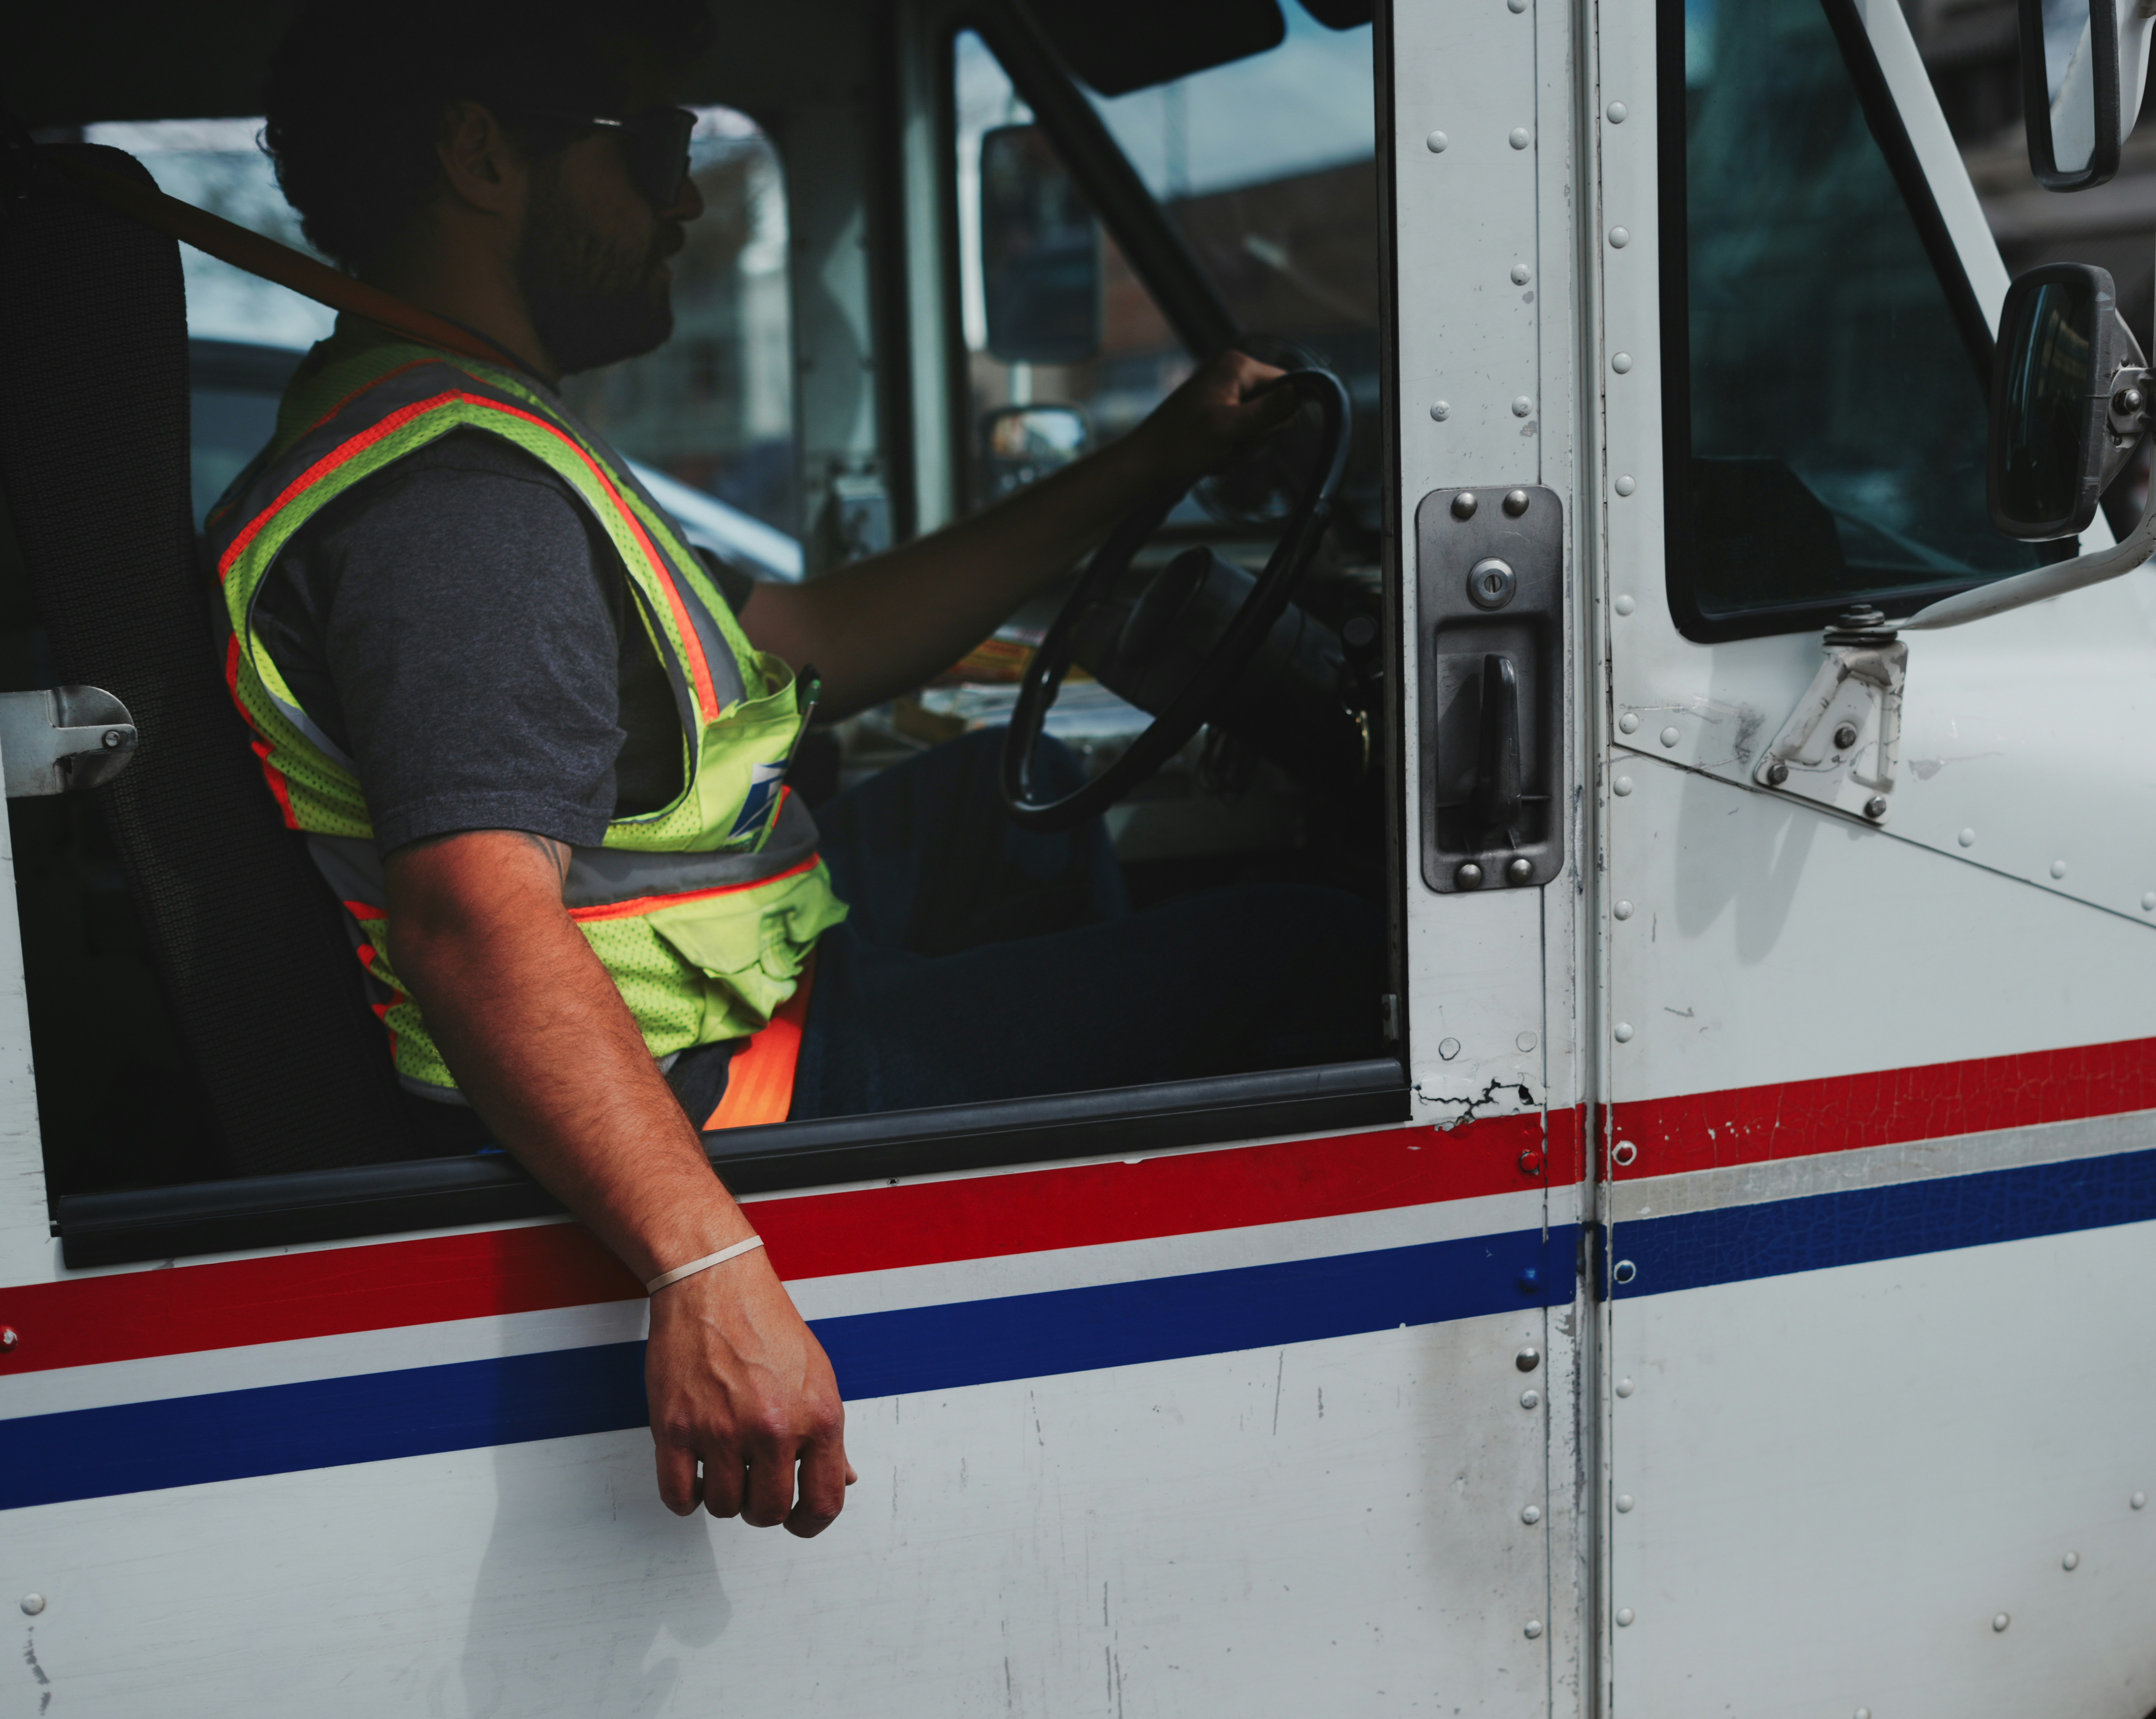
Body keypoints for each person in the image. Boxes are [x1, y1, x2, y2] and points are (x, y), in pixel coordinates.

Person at [234, 0, 1379, 1540]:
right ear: (479, 157)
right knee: (1312, 952)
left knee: (1001, 795)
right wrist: (708, 1270)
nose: (687, 200)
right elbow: (471, 922)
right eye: (650, 150)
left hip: (729, 1017)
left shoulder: (472, 423)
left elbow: (817, 632)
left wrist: (1154, 457)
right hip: (713, 1102)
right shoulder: (459, 508)